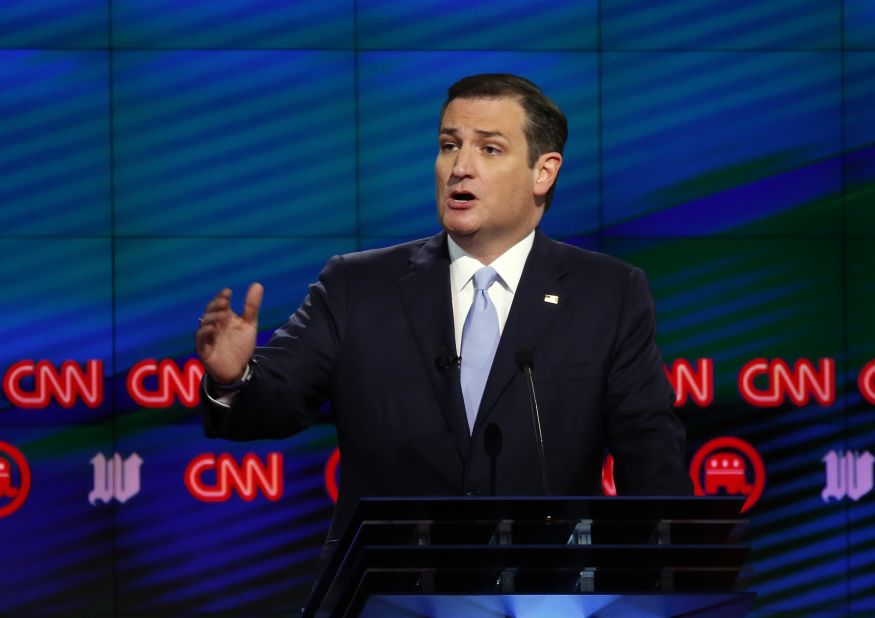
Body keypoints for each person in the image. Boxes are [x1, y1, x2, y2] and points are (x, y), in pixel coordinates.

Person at [196, 73, 692, 549]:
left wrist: (664, 581)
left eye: (489, 148)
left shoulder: (606, 293)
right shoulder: (357, 285)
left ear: (543, 172)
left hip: (545, 594)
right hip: (387, 591)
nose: (460, 167)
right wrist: (232, 379)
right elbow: (274, 404)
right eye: (450, 144)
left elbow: (650, 453)